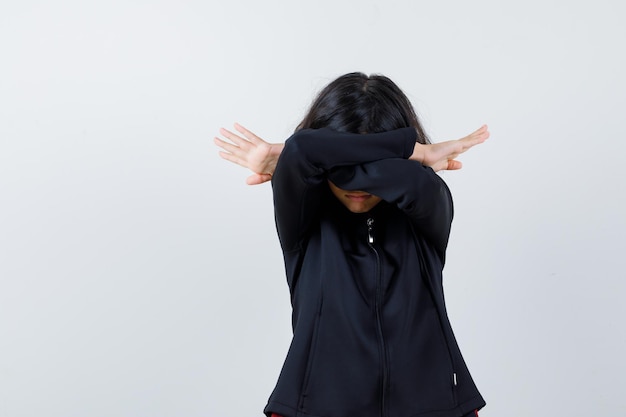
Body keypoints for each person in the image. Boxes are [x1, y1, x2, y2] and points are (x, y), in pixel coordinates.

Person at [214, 72, 489, 417]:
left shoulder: (426, 207)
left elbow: (414, 182)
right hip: (314, 407)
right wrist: (408, 150)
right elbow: (302, 150)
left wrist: (307, 162)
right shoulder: (302, 220)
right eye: (342, 155)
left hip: (434, 406)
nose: (357, 185)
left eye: (377, 162)